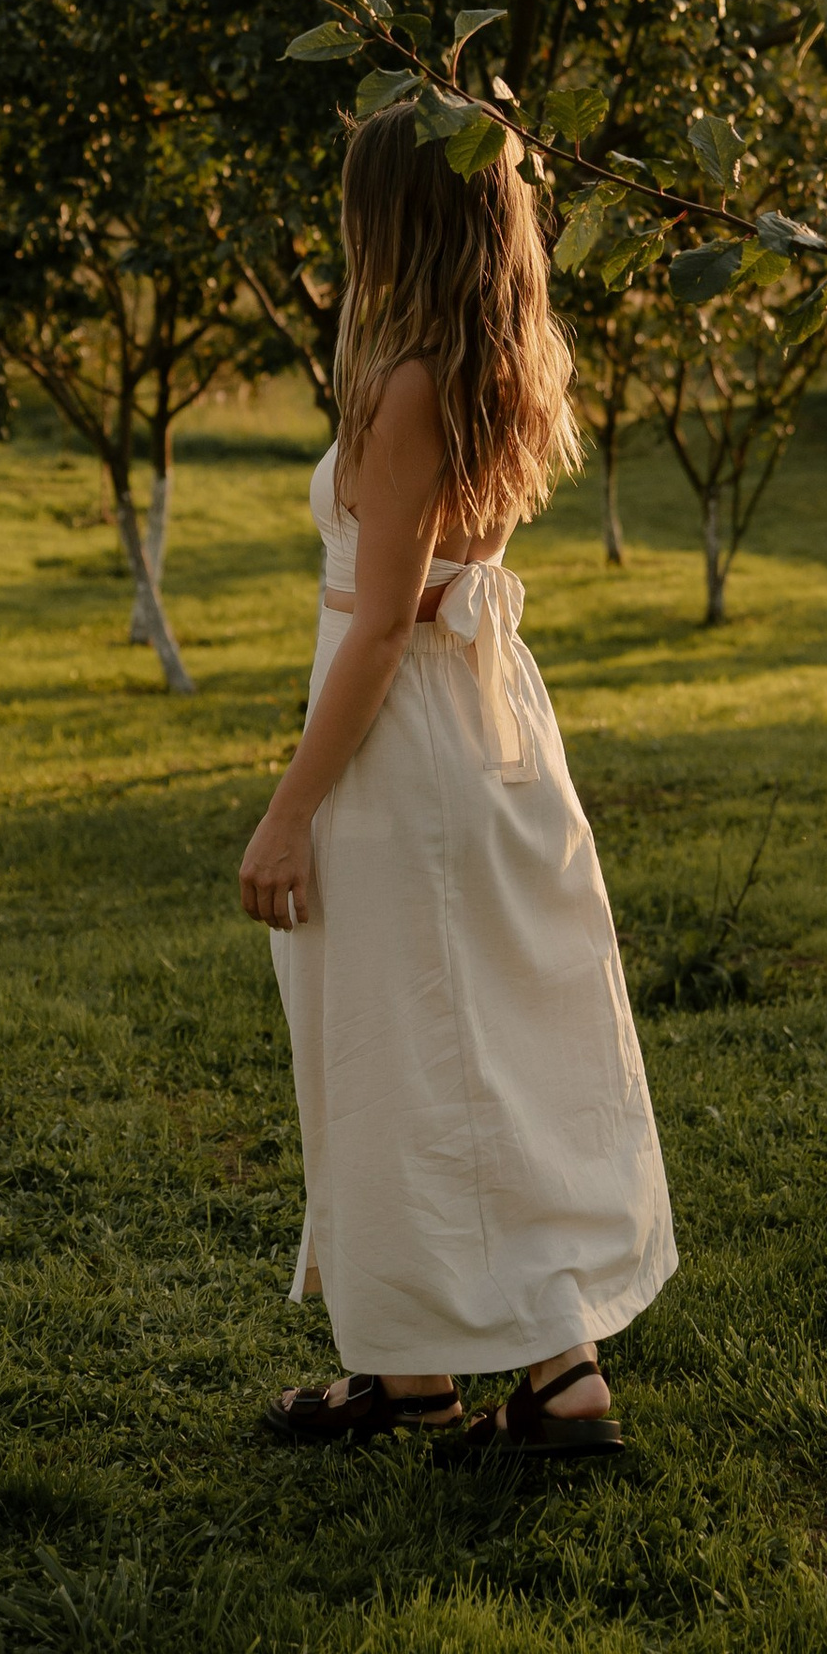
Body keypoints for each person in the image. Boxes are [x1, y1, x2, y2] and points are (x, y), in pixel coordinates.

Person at [239, 101, 674, 1458]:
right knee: (461, 1029)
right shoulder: (503, 358)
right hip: (486, 729)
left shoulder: (408, 383)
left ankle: (553, 1376)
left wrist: (289, 808)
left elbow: (376, 626)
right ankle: (414, 1361)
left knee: (418, 1043)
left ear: (399, 224)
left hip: (410, 745)